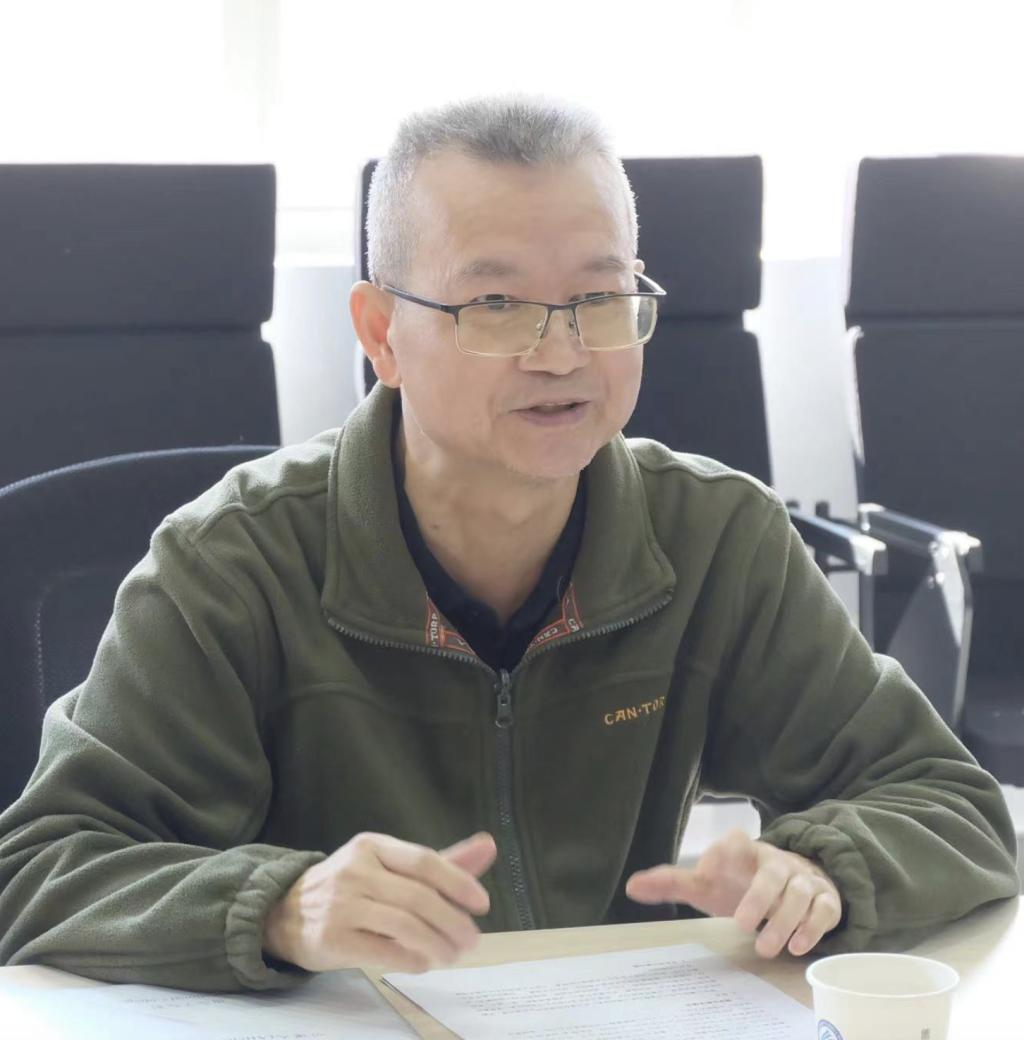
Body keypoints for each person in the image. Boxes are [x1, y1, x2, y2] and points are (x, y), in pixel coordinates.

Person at [0, 96, 1017, 994]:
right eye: (495, 304)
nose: (562, 351)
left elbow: (954, 807)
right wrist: (278, 908)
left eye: (599, 298)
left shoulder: (715, 536)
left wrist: (825, 865)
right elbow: (39, 866)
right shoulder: (231, 563)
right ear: (381, 333)